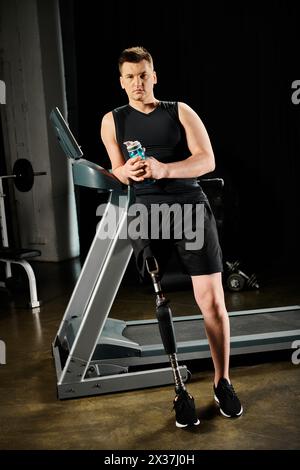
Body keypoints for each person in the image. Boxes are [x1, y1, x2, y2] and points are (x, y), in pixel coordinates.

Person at [100, 46, 243, 426]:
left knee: (211, 302)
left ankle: (222, 381)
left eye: (143, 75)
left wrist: (164, 169)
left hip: (190, 206)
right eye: (130, 77)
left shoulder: (179, 111)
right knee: (161, 302)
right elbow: (116, 170)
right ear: (121, 82)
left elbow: (206, 160)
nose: (137, 83)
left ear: (154, 76)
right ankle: (180, 391)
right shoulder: (111, 121)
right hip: (146, 212)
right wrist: (125, 171)